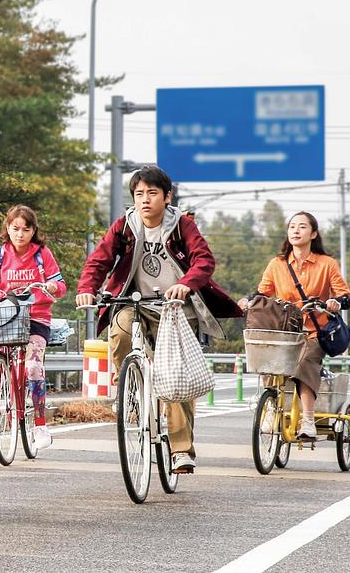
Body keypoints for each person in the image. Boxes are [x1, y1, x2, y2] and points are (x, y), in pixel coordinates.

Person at [74, 165, 241, 474]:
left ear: (167, 196)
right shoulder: (125, 226)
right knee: (119, 329)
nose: (145, 199)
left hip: (175, 308)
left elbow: (204, 261)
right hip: (136, 301)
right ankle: (128, 384)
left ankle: (181, 451)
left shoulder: (182, 226)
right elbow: (99, 261)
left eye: (152, 193)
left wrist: (185, 285)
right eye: (139, 194)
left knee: (175, 379)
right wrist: (86, 289)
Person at [239, 211, 350, 441]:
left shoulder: (327, 264)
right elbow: (263, 292)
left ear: (313, 234)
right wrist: (247, 300)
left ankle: (308, 419)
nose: (296, 231)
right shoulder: (277, 264)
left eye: (302, 227)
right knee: (267, 359)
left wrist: (335, 302)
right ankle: (271, 408)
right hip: (284, 330)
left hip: (314, 331)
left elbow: (345, 296)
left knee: (306, 360)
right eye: (292, 227)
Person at [0, 205, 68, 449]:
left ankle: (41, 425)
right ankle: (2, 390)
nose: (20, 234)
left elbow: (60, 285)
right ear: (8, 228)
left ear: (34, 231)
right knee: (0, 362)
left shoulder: (42, 255)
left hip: (36, 318)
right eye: (15, 228)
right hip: (7, 317)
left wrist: (52, 287)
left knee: (33, 367)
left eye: (26, 229)